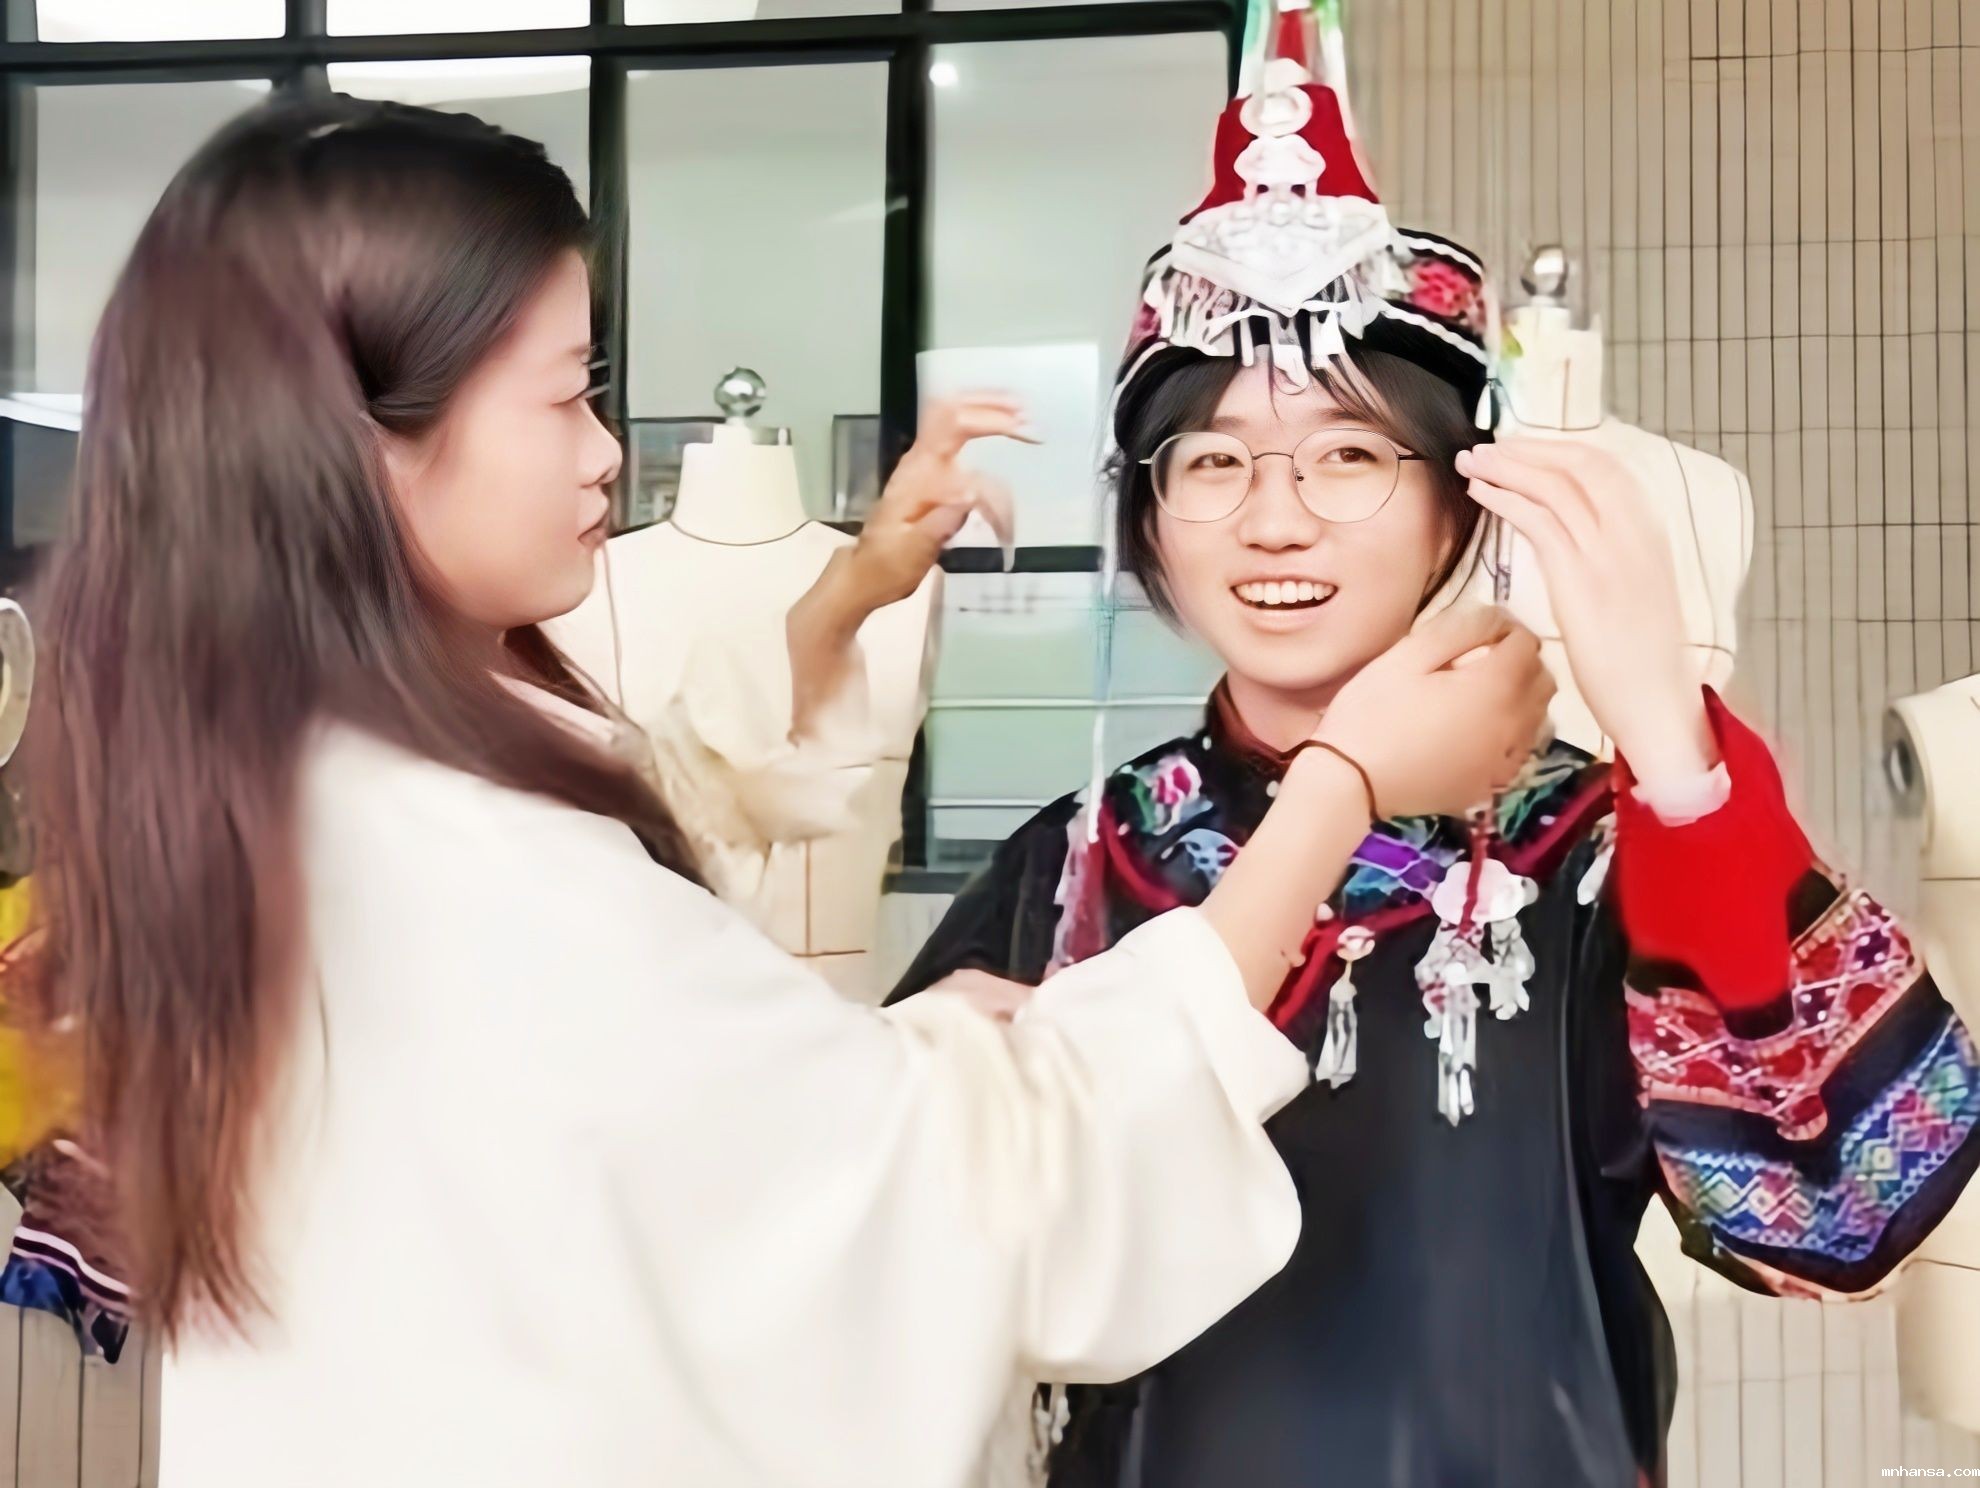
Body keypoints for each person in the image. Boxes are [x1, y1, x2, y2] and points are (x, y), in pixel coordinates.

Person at [7, 97, 1553, 1488]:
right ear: (359, 450)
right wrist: (1344, 785)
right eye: (564, 397)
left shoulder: (298, 791)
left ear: (1454, 498)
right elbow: (975, 1205)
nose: (607, 454)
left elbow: (726, 1063)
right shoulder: (499, 865)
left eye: (1349, 458)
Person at [888, 15, 1980, 1487]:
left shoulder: (1594, 851)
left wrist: (1672, 748)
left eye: (1349, 455)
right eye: (1213, 462)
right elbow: (906, 1251)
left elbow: (1842, 1216)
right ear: (1149, 516)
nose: (1276, 520)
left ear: (1457, 504)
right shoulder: (1086, 859)